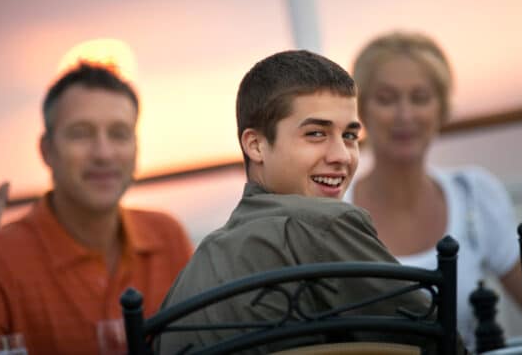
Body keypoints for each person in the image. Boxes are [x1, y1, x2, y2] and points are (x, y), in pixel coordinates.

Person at [157, 50, 464, 354]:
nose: (342, 156)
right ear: (256, 145)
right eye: (316, 134)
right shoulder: (322, 223)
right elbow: (437, 341)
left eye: (349, 136)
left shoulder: (196, 269)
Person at [0, 63, 194, 355]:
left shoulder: (167, 235)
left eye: (119, 133)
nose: (103, 153)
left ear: (136, 147)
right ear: (46, 150)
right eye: (80, 134)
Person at [348, 32, 522, 350]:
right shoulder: (334, 215)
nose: (405, 115)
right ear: (361, 111)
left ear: (441, 108)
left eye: (420, 98)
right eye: (387, 99)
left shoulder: (474, 194)